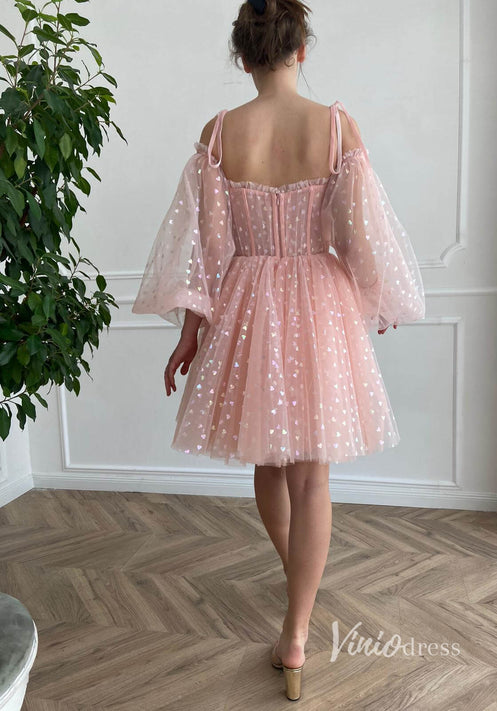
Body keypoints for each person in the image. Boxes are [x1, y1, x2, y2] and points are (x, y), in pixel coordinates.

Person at [132, 0, 425, 700]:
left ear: (242, 58)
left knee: (267, 459)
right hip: (319, 303)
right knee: (312, 474)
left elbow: (205, 248)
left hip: (247, 302)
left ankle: (297, 593)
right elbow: (358, 231)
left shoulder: (219, 133)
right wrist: (379, 295)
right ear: (302, 50)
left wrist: (190, 331)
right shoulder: (335, 126)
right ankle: (297, 626)